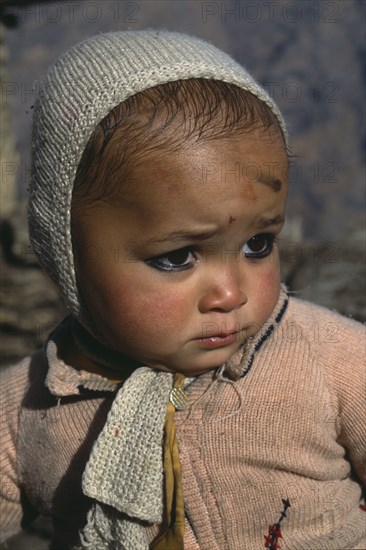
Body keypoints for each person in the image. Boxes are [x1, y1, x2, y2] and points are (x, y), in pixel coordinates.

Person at [0, 30, 365, 550]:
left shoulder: (329, 361)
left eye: (258, 244)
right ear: (68, 255)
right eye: (177, 257)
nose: (231, 294)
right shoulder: (33, 404)